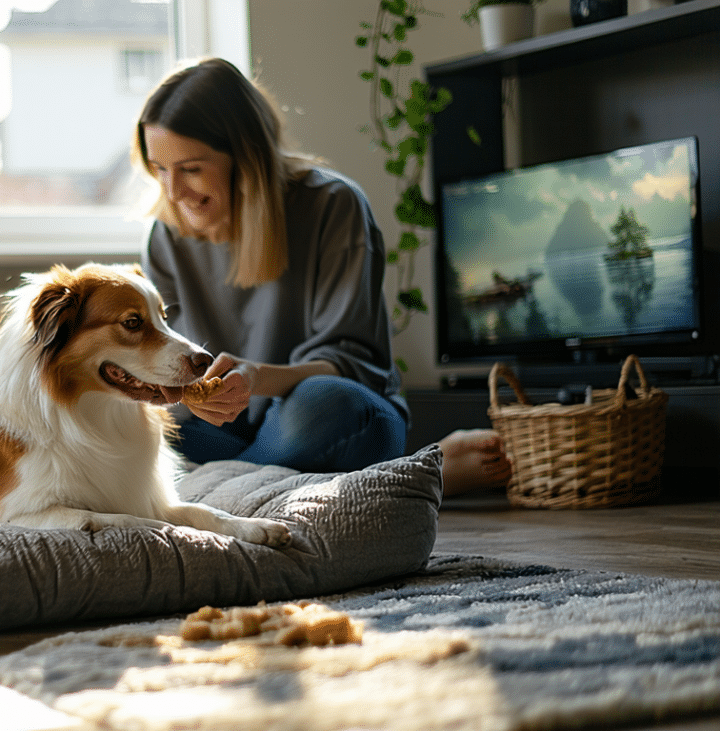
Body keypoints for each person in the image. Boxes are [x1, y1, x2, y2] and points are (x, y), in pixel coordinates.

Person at [132, 57, 510, 495]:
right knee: (137, 431)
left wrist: (256, 379)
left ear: (245, 156)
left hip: (313, 415)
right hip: (222, 435)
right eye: (160, 169)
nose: (173, 191)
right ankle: (412, 479)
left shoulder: (333, 204)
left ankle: (220, 493)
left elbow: (350, 364)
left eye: (191, 169)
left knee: (327, 409)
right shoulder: (165, 234)